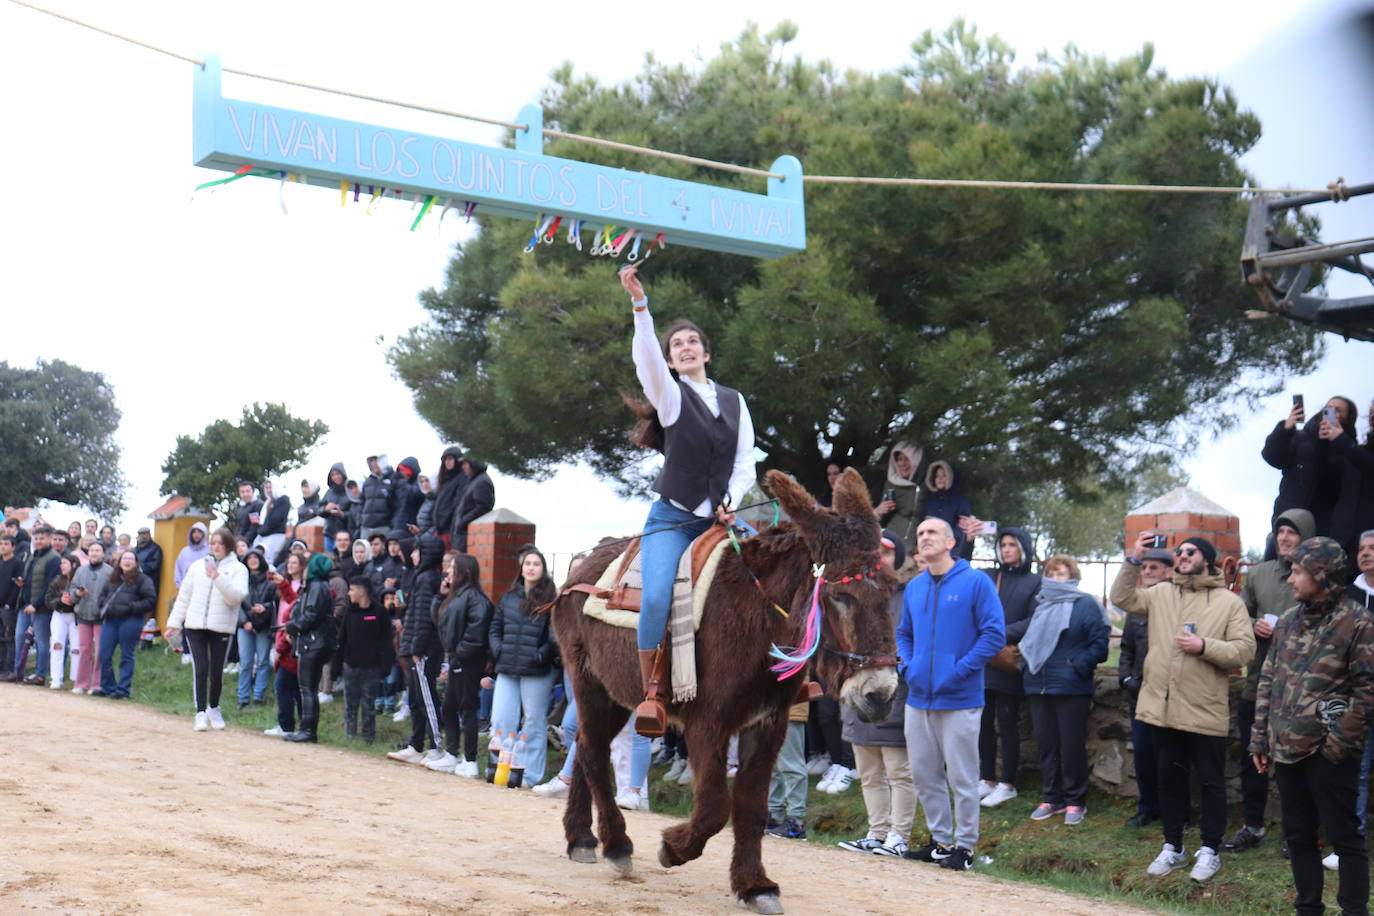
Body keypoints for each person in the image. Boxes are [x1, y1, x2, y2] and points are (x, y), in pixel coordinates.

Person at [619, 264, 756, 736]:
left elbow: (744, 465)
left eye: (691, 341)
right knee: (657, 595)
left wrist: (733, 499)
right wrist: (641, 307)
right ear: (672, 361)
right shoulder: (672, 397)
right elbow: (645, 365)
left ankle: (789, 680)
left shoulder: (737, 401)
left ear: (706, 352)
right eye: (676, 345)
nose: (685, 347)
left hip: (720, 519)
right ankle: (652, 694)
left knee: (777, 577)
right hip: (672, 520)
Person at [1111, 531, 1255, 884]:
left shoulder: (1228, 602)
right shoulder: (1161, 593)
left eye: (1190, 551)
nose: (1183, 555)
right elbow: (1121, 597)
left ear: (1206, 559)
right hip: (1164, 709)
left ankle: (1209, 850)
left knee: (1210, 783)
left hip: (1204, 709)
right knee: (1169, 781)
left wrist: (1204, 645)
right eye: (1180, 551)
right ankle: (1172, 846)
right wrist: (1134, 559)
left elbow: (1244, 651)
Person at [1251, 537, 1374, 916]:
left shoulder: (1358, 623)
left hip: (1330, 754)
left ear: (1322, 575)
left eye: (1299, 572)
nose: (1291, 580)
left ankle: (1354, 910)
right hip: (1286, 749)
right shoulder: (1287, 622)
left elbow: (1367, 692)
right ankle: (1308, 909)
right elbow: (1268, 680)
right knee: (1299, 835)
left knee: (1345, 838)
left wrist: (1336, 747)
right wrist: (1260, 739)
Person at [896, 517, 1005, 872]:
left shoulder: (975, 582)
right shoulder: (914, 586)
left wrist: (958, 672)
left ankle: (965, 847)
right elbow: (904, 634)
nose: (924, 537)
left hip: (960, 698)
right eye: (921, 533)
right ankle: (941, 842)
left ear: (949, 542)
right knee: (925, 774)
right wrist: (908, 667)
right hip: (918, 698)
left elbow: (993, 635)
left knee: (962, 775)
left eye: (931, 533)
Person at [1225, 509, 1314, 853]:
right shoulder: (1259, 573)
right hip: (1257, 683)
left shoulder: (1316, 577)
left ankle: (1301, 833)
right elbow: (1238, 614)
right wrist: (1253, 625)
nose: (1284, 538)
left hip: (1301, 688)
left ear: (1305, 537)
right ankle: (1253, 826)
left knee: (1302, 765)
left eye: (1292, 532)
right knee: (1254, 760)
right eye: (1280, 532)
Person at [837, 531, 914, 857]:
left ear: (898, 556)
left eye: (886, 550)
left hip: (895, 690)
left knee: (898, 771)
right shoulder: (853, 590)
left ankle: (899, 836)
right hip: (858, 690)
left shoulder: (909, 593)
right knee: (869, 773)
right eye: (874, 549)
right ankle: (876, 832)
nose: (879, 555)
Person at [1020, 555, 1110, 825]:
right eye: (1051, 574)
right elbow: (1031, 641)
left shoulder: (1085, 605)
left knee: (1071, 746)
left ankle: (1075, 800)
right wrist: (1025, 666)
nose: (1055, 579)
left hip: (1071, 686)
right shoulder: (1042, 605)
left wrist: (1076, 666)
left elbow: (1100, 644)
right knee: (1046, 746)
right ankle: (1051, 798)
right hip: (1039, 684)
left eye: (1061, 574)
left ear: (1073, 577)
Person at [978, 526, 1040, 809]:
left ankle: (1008, 783)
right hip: (985, 659)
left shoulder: (1035, 582)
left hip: (1009, 658)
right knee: (983, 722)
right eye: (1002, 545)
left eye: (1012, 545)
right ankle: (987, 778)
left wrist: (998, 632)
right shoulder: (990, 576)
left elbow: (1033, 619)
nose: (1006, 550)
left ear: (1023, 547)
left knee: (1006, 720)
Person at [486, 546, 558, 786]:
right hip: (507, 667)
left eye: (536, 564)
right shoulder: (509, 597)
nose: (531, 568)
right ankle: (501, 770)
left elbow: (554, 634)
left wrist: (541, 655)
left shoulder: (550, 599)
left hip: (536, 671)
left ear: (543, 569)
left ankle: (530, 775)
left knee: (533, 723)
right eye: (527, 563)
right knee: (501, 720)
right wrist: (498, 649)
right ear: (521, 568)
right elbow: (495, 628)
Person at [166, 527, 249, 732]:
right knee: (200, 669)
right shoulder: (196, 567)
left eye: (221, 543)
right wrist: (174, 623)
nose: (216, 547)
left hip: (221, 628)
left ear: (229, 545)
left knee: (216, 672)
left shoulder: (239, 569)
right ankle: (200, 712)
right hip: (195, 626)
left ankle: (214, 708)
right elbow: (184, 597)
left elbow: (236, 598)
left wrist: (217, 577)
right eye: (213, 543)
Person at [1119, 546, 1174, 827]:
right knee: (1143, 754)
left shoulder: (1177, 603)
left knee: (1171, 757)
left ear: (1168, 572)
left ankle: (1176, 809)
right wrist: (1126, 678)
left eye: (1154, 568)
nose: (1148, 572)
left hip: (1170, 693)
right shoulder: (1137, 609)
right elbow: (1126, 648)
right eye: (1145, 568)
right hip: (1139, 694)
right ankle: (1147, 807)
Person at [387, 534, 446, 764]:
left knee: (427, 698)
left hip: (424, 648)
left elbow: (424, 618)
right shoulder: (423, 577)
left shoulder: (426, 579)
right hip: (416, 645)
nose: (411, 554)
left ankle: (436, 747)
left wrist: (417, 648)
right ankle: (416, 743)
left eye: (416, 550)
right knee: (416, 698)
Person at [432, 553, 493, 776]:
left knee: (468, 708)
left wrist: (459, 653)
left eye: (453, 568)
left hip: (468, 663)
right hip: (456, 659)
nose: (448, 571)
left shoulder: (476, 598)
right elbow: (439, 622)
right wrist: (440, 597)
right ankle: (451, 754)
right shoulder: (456, 596)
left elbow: (476, 634)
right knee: (449, 707)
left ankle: (470, 759)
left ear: (465, 572)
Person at [1262, 395, 1357, 531]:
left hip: (1323, 524)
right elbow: (1272, 457)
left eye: (1338, 410)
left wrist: (1334, 441)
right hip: (1288, 518)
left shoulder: (1350, 450)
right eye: (1328, 408)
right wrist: (1284, 429)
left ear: (1348, 418)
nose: (1331, 412)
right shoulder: (1300, 437)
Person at [283, 554, 336, 743]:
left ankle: (307, 730)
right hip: (316, 641)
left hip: (313, 642)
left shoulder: (316, 587)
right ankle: (307, 729)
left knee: (307, 688)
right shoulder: (319, 587)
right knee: (309, 688)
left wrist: (293, 626)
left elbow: (311, 614)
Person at [96, 549, 157, 699]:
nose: (127, 561)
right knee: (104, 653)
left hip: (131, 620)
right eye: (125, 558)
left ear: (136, 563)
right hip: (110, 620)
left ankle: (123, 689)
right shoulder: (112, 578)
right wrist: (104, 606)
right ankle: (107, 687)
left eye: (131, 558)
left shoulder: (143, 580)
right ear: (120, 561)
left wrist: (130, 608)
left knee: (126, 655)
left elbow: (150, 600)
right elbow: (102, 597)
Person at [337, 576, 390, 743]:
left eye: (352, 589)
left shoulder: (379, 612)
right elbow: (342, 639)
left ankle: (368, 738)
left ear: (362, 591)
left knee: (369, 705)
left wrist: (385, 665)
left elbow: (387, 640)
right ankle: (349, 737)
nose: (349, 593)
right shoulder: (349, 612)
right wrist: (339, 662)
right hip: (351, 666)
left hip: (372, 667)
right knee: (350, 704)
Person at [1323, 400, 1374, 562]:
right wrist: (1323, 444)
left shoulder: (1353, 450)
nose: (1372, 416)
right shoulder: (1356, 450)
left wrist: (1343, 442)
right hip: (1341, 539)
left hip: (1368, 542)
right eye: (1371, 412)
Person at [263, 553, 305, 737]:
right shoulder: (291, 585)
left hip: (290, 640)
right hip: (283, 634)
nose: (290, 565)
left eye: (295, 562)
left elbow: (294, 607)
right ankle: (301, 727)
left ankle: (288, 726)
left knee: (284, 686)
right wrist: (280, 583)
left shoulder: (304, 588)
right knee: (294, 688)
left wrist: (280, 648)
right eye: (289, 562)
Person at [15, 524, 61, 684]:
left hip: (41, 608)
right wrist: (22, 583)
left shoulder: (54, 559)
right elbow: (31, 579)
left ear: (49, 539)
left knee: (42, 641)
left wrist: (35, 604)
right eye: (37, 538)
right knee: (19, 638)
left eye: (42, 538)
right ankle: (18, 671)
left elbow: (50, 585)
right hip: (25, 605)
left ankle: (40, 674)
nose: (39, 541)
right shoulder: (34, 555)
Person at [236, 549, 276, 709]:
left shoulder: (270, 580)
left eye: (255, 557)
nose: (253, 560)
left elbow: (274, 604)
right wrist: (244, 622)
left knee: (262, 661)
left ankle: (258, 696)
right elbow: (235, 602)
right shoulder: (240, 579)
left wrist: (264, 609)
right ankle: (243, 697)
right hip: (244, 626)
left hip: (263, 626)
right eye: (249, 558)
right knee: (245, 662)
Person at [69, 541, 109, 694]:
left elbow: (113, 593)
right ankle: (81, 683)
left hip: (101, 616)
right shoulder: (80, 571)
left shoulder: (110, 571)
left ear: (103, 553)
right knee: (84, 649)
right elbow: (72, 588)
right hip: (83, 614)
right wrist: (77, 594)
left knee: (99, 650)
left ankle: (97, 684)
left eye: (98, 550)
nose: (94, 553)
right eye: (92, 550)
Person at [874, 443, 923, 554]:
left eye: (907, 459)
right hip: (891, 542)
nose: (903, 464)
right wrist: (879, 511)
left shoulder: (925, 484)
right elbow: (880, 520)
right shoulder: (890, 483)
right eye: (899, 459)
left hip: (916, 547)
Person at [922, 460, 975, 559]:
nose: (940, 479)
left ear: (951, 477)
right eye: (937, 476)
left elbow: (963, 531)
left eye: (944, 475)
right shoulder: (930, 501)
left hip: (953, 552)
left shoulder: (960, 501)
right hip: (931, 551)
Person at [45, 553, 81, 689]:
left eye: (64, 563)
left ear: (74, 565)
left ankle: (77, 680)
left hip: (76, 616)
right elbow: (48, 599)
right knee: (57, 645)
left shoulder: (80, 580)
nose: (61, 565)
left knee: (76, 648)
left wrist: (74, 600)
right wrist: (60, 600)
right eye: (61, 563)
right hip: (59, 615)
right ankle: (56, 678)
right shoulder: (57, 580)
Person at [450, 456, 495, 552]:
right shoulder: (473, 481)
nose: (463, 467)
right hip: (462, 536)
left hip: (468, 536)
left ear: (473, 463)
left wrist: (462, 522)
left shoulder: (482, 481)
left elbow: (483, 507)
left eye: (465, 463)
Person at [432, 447, 467, 549]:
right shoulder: (444, 480)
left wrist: (445, 520)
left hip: (450, 530)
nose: (447, 462)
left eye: (450, 458)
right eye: (445, 459)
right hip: (439, 530)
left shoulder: (462, 477)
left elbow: (457, 504)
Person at [0, 535, 22, 680]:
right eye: (1, 543)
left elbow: (17, 586)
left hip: (9, 607)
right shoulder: (1, 563)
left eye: (6, 544)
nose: (2, 546)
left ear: (13, 547)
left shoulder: (18, 563)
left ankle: (9, 670)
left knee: (9, 638)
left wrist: (10, 603)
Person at [253, 478, 291, 562]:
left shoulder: (283, 500)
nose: (268, 490)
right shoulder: (268, 502)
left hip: (275, 536)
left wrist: (262, 530)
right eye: (266, 488)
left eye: (270, 487)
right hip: (264, 536)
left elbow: (275, 520)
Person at [359, 455, 395, 540]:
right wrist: (361, 521)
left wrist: (391, 525)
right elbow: (361, 504)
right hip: (366, 527)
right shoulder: (367, 482)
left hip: (384, 527)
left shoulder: (393, 478)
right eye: (371, 461)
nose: (374, 463)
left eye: (376, 460)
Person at [321, 463, 351, 552]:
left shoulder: (349, 491)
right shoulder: (329, 492)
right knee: (330, 561)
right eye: (333, 475)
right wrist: (326, 509)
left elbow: (355, 513)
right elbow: (319, 509)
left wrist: (342, 514)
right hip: (329, 533)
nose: (336, 477)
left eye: (338, 474)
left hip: (344, 534)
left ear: (343, 475)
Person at [391, 457, 424, 533]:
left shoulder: (420, 483)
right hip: (397, 525)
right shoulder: (400, 486)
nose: (401, 473)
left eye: (403, 470)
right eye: (400, 471)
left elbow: (412, 495)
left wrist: (401, 482)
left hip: (411, 527)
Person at [133, 527, 162, 605]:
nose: (143, 536)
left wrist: (138, 568)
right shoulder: (135, 549)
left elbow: (154, 565)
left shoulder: (155, 548)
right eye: (141, 534)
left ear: (149, 535)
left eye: (145, 534)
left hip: (149, 582)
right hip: (135, 582)